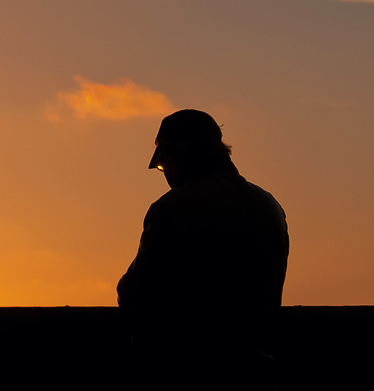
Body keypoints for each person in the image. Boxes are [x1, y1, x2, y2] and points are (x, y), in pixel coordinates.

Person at [117, 109, 289, 390]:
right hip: (258, 373)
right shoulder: (270, 206)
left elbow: (135, 294)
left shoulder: (172, 208)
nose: (165, 174)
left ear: (176, 152)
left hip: (191, 372)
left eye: (162, 164)